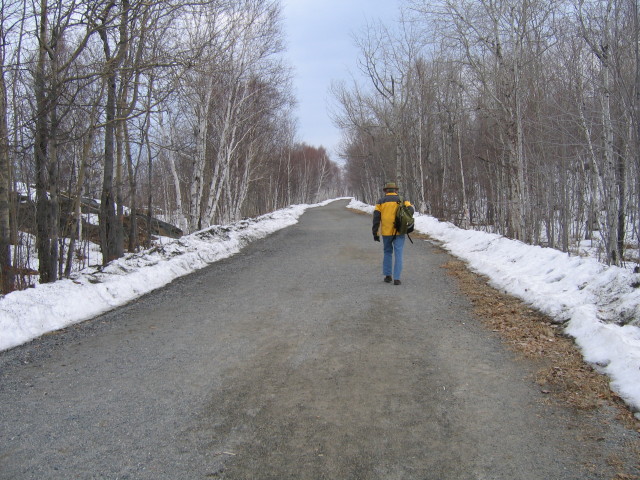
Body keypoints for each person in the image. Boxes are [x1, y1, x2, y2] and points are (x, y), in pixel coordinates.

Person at [372, 182, 415, 285]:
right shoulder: (402, 200)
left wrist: (375, 232)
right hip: (399, 231)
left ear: (386, 191)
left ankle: (387, 276)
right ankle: (397, 278)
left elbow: (376, 218)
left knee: (387, 252)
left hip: (386, 232)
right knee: (398, 253)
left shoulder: (380, 202)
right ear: (396, 190)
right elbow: (411, 210)